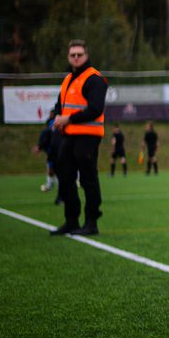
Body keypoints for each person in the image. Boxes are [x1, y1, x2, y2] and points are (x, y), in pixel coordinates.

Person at [50, 39, 108, 236]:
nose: (75, 58)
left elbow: (95, 108)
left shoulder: (94, 79)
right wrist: (57, 116)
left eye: (79, 54)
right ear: (68, 57)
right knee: (64, 176)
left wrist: (68, 118)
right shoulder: (68, 79)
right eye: (72, 55)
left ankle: (91, 222)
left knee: (88, 179)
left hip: (88, 136)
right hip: (69, 135)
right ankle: (71, 220)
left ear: (86, 56)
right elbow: (61, 104)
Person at [33, 109, 59, 194]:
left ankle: (54, 186)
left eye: (51, 114)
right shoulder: (50, 122)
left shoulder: (55, 122)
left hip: (55, 149)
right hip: (51, 150)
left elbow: (49, 135)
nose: (50, 115)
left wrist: (39, 147)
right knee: (51, 168)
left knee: (55, 169)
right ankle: (50, 184)